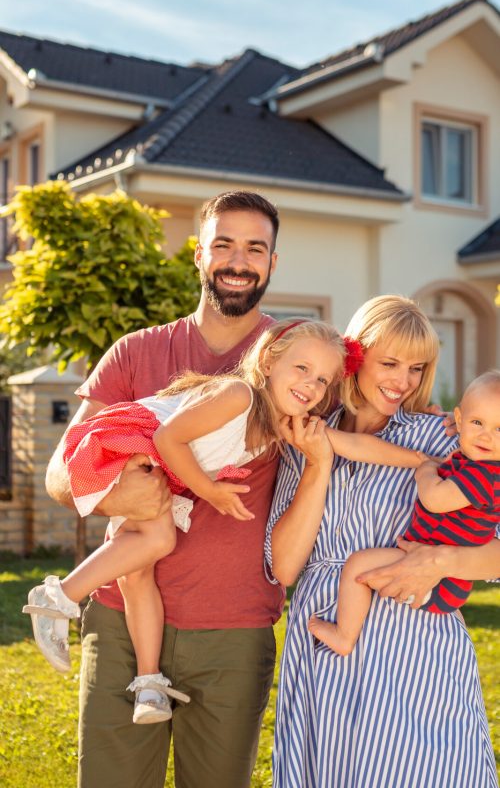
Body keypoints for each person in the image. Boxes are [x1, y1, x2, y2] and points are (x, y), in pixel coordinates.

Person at [31, 319, 426, 722]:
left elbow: (353, 445)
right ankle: (58, 598)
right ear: (270, 361)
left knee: (138, 569)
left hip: (160, 468)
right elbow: (168, 438)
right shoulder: (238, 395)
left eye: (323, 380)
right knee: (156, 543)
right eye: (301, 368)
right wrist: (209, 490)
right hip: (130, 446)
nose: (310, 385)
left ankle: (149, 683)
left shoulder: (281, 425)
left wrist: (424, 460)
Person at [45, 190, 284, 788]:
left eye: (255, 248)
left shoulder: (293, 362)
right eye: (223, 244)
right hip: (121, 618)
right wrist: (118, 498)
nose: (238, 260)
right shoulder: (137, 351)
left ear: (272, 263)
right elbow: (59, 470)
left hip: (234, 626)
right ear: (198, 254)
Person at [267, 295, 499, 788]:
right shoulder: (306, 437)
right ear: (355, 356)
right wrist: (318, 464)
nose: (403, 381)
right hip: (326, 639)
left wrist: (443, 559)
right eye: (389, 363)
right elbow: (285, 569)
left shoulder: (442, 438)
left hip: (413, 644)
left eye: (417, 367)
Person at [308, 369, 500, 656]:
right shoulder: (470, 461)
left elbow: (435, 499)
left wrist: (425, 470)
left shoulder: (488, 474)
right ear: (458, 419)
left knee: (358, 565)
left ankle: (344, 636)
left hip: (441, 581)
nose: (486, 435)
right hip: (430, 563)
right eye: (477, 422)